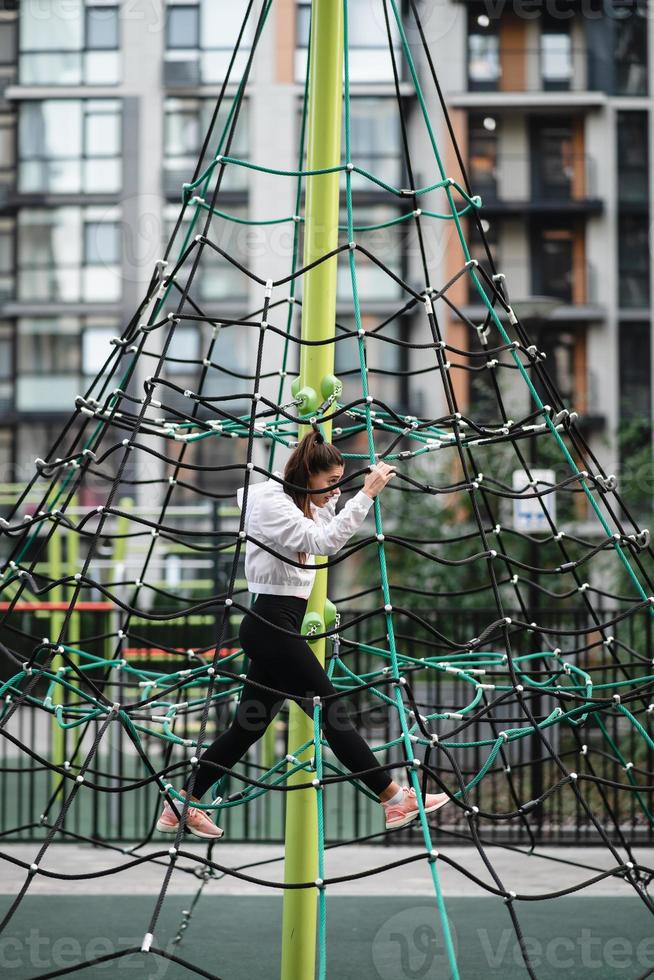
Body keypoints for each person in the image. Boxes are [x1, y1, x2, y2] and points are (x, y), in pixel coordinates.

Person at [157, 431, 449, 839]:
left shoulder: (302, 503)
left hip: (278, 625)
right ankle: (395, 800)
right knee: (331, 711)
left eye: (338, 483)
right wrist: (365, 496)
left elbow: (324, 527)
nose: (333, 492)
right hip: (271, 624)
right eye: (328, 483)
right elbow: (324, 543)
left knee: (249, 724)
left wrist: (338, 498)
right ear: (306, 475)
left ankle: (180, 805)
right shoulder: (273, 505)